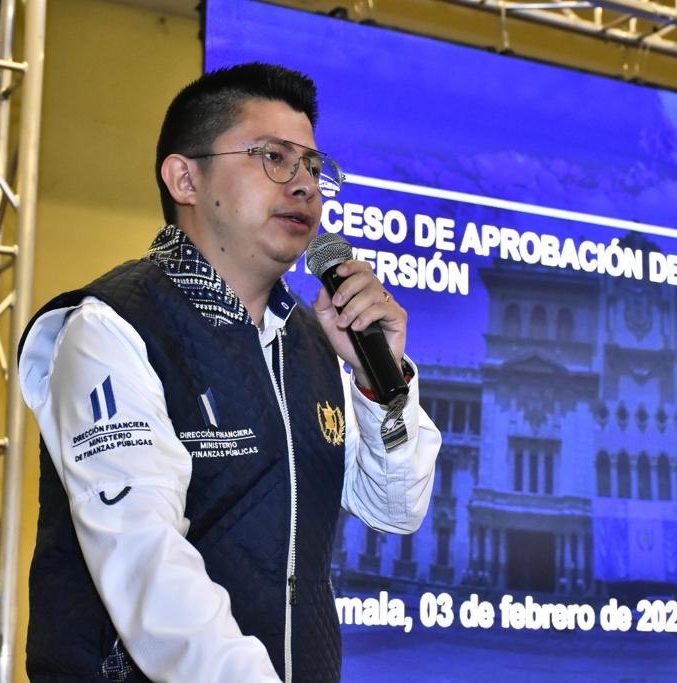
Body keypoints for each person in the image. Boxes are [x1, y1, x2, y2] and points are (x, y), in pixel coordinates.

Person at [17, 62, 440, 682]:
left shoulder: (311, 338)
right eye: (274, 158)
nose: (305, 186)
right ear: (185, 179)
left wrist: (381, 384)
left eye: (313, 167)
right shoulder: (112, 328)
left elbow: (395, 509)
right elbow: (146, 561)